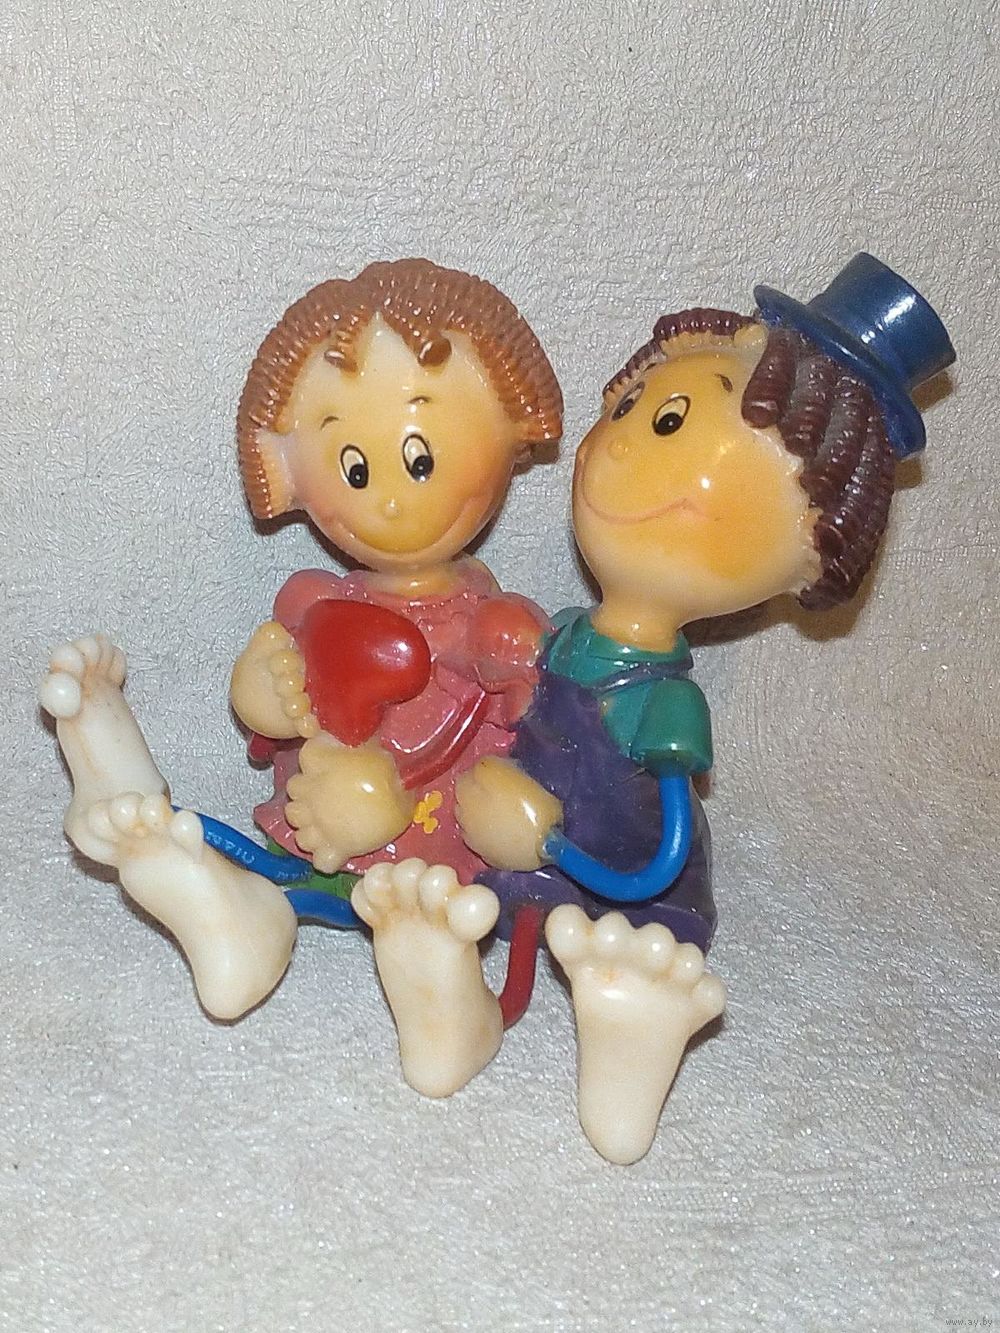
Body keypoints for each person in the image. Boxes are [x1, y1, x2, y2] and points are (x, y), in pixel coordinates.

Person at [456, 254, 955, 1163]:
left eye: (671, 423)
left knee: (605, 943)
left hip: (630, 893)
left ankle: (632, 1036)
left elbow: (665, 853)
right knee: (485, 934)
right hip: (523, 869)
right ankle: (459, 1010)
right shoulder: (561, 633)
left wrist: (548, 844)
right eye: (632, 410)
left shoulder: (667, 704)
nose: (619, 446)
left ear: (809, 555)